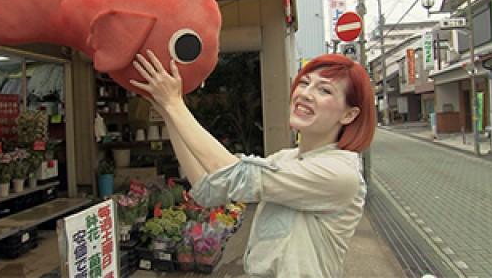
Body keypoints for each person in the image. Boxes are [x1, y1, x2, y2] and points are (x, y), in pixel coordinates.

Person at [130, 51, 376, 277]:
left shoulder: (339, 173)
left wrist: (175, 104)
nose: (306, 93)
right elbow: (209, 189)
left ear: (349, 115)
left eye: (325, 90)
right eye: (304, 82)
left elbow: (237, 175)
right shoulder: (285, 159)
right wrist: (168, 114)